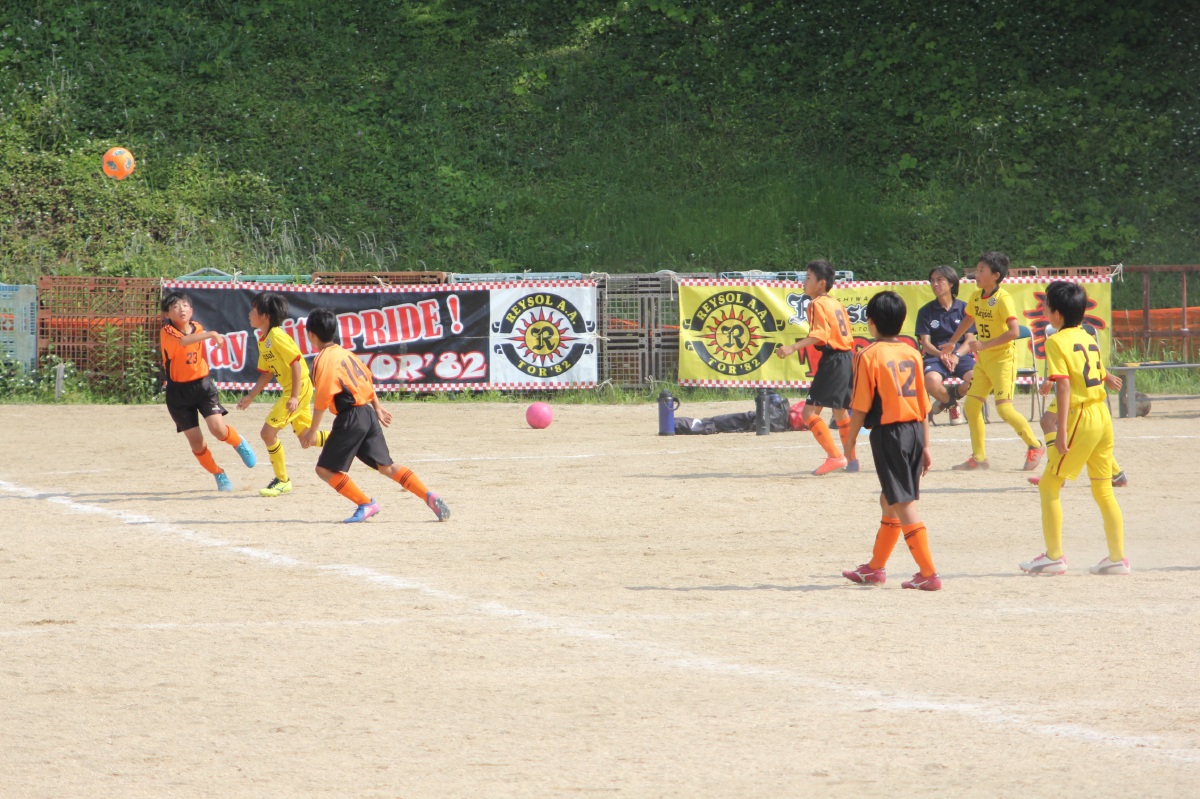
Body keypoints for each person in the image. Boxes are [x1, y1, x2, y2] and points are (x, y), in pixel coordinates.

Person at [298, 307, 450, 524]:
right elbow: (367, 379)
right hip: (367, 413)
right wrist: (377, 407)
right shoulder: (346, 354)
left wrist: (312, 431)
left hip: (350, 417)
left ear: (311, 335)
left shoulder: (323, 360)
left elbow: (322, 399)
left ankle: (365, 503)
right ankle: (428, 495)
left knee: (324, 469)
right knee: (387, 466)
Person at [1019, 281, 1128, 576]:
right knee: (1103, 489)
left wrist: (1062, 431)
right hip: (1101, 415)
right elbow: (1087, 371)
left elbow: (1065, 386)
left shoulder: (1055, 341)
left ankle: (1054, 556)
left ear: (1057, 314)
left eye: (1046, 305)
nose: (1043, 309)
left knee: (1049, 485)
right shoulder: (1087, 335)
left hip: (1081, 416)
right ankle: (1117, 558)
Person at [841, 291, 941, 590]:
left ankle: (928, 573)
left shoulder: (867, 355)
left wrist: (849, 443)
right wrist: (926, 445)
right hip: (913, 430)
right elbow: (923, 405)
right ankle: (875, 568)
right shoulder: (912, 352)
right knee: (889, 500)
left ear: (870, 322)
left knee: (903, 502)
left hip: (890, 434)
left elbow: (860, 405)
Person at [940, 251, 1046, 471]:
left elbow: (1014, 332)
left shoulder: (1003, 299)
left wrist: (985, 345)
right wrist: (952, 342)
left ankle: (1035, 445)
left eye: (981, 270)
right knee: (971, 406)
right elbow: (969, 318)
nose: (976, 274)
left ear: (996, 275)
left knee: (1004, 409)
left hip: (1002, 360)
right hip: (984, 361)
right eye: (977, 269)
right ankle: (979, 458)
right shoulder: (976, 296)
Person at [160, 291, 257, 491]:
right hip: (178, 394)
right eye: (175, 307)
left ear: (191, 310)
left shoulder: (197, 327)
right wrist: (212, 334)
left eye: (185, 305)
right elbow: (183, 342)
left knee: (218, 430)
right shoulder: (167, 332)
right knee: (197, 443)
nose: (181, 309)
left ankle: (238, 443)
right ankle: (218, 473)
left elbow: (199, 351)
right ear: (167, 314)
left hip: (202, 387)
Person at [236, 292, 328, 497]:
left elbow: (296, 364)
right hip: (294, 389)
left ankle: (282, 480)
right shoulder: (264, 340)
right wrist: (250, 396)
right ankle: (347, 439)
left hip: (298, 388)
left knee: (267, 433)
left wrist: (294, 396)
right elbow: (267, 373)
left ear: (265, 316)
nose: (249, 313)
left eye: (253, 310)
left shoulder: (277, 336)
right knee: (307, 438)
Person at [775, 260, 857, 475]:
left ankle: (835, 456)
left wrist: (793, 347)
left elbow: (820, 335)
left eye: (808, 278)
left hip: (834, 359)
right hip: (847, 357)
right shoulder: (836, 303)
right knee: (840, 411)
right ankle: (852, 460)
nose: (803, 282)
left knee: (808, 412)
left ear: (821, 283)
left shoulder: (817, 304)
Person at [1027, 323, 1128, 488]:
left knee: (1049, 421)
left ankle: (1054, 472)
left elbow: (1072, 363)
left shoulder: (1062, 336)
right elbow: (1081, 360)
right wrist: (1107, 376)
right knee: (1083, 433)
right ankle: (1116, 474)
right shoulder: (1082, 334)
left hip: (1076, 389)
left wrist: (1051, 379)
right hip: (1085, 387)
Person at [915, 265, 975, 426]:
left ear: (951, 283)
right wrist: (941, 355)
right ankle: (952, 404)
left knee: (978, 378)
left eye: (939, 280)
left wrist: (956, 355)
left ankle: (952, 394)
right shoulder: (925, 311)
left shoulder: (965, 309)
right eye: (932, 280)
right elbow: (926, 343)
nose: (935, 284)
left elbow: (969, 340)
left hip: (961, 355)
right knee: (930, 380)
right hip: (935, 356)